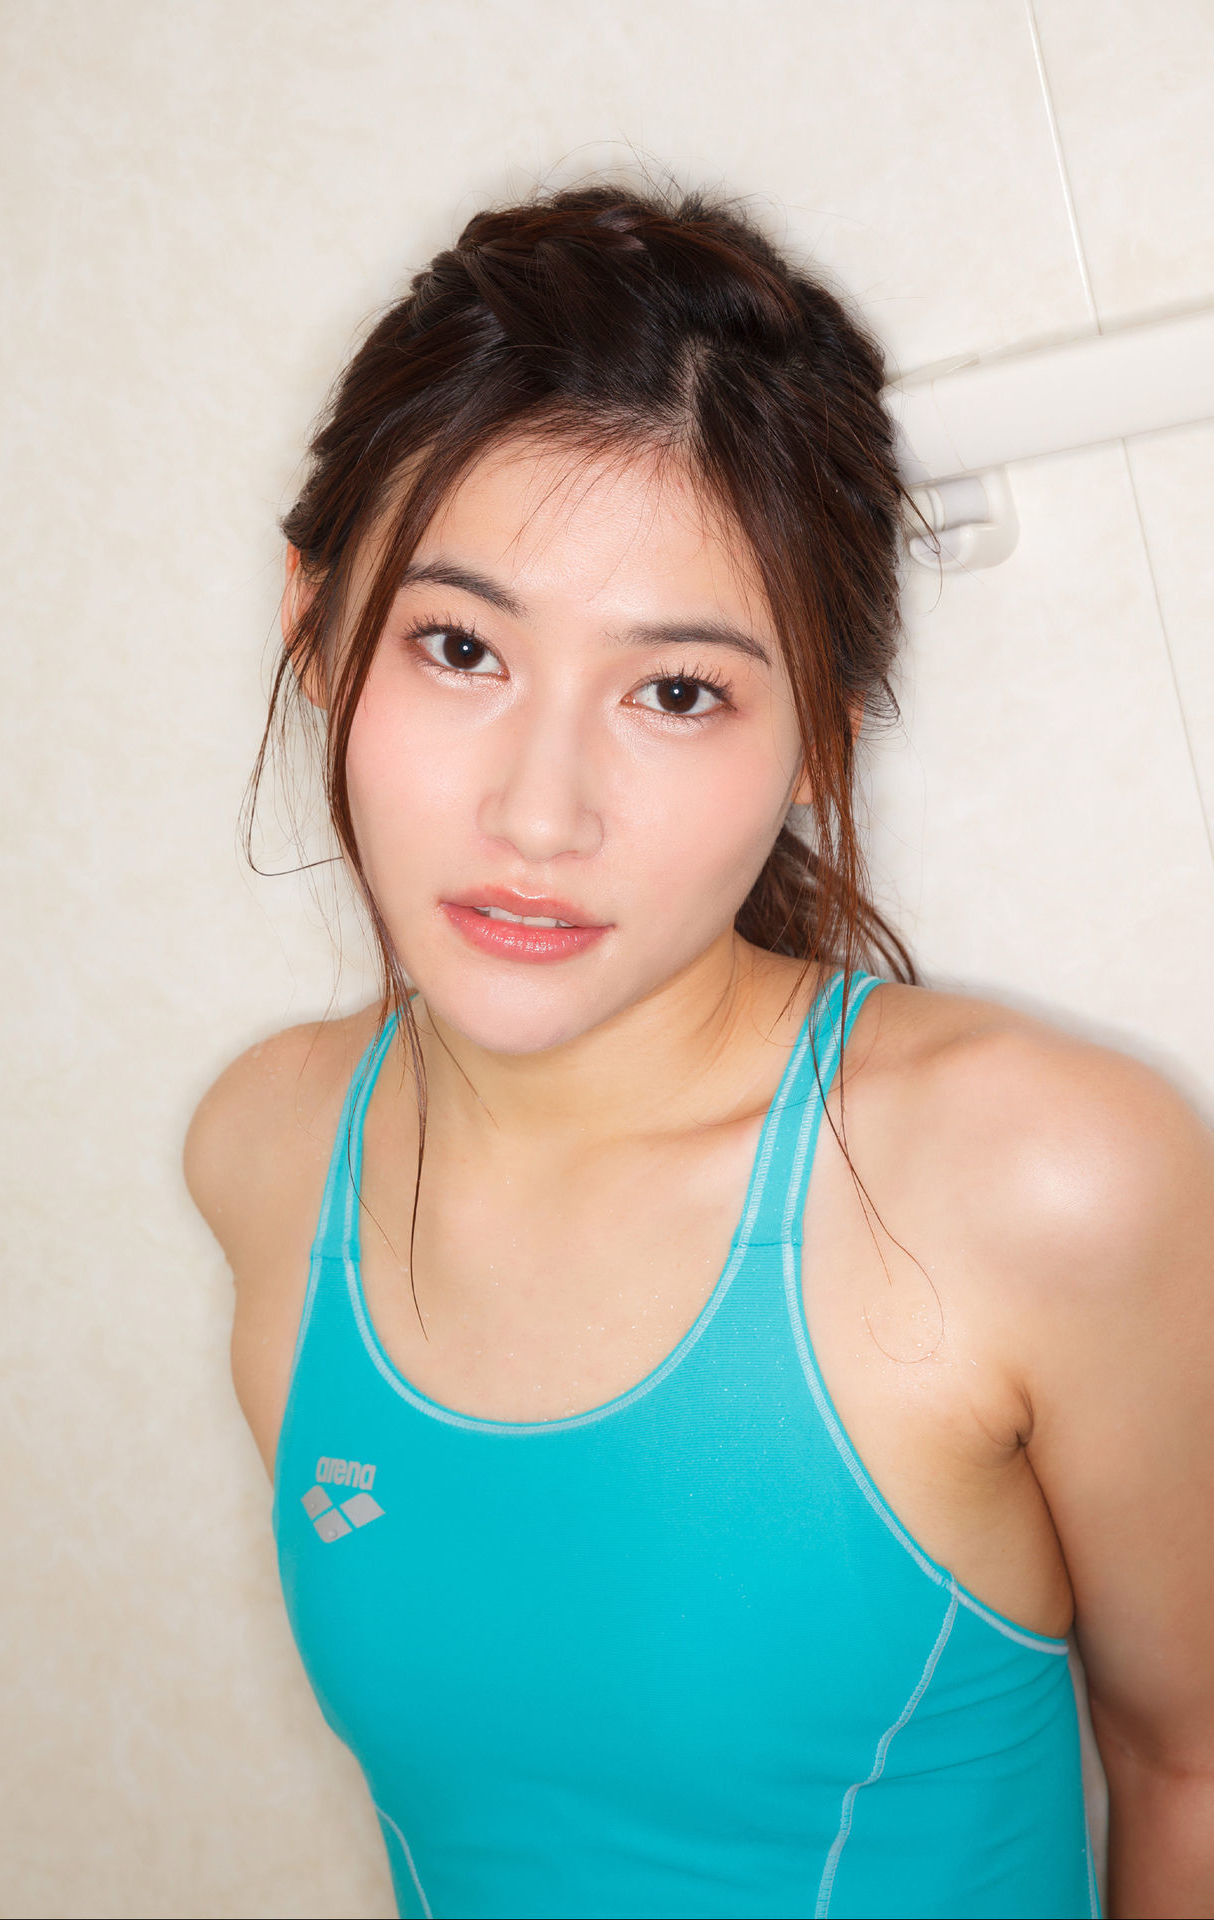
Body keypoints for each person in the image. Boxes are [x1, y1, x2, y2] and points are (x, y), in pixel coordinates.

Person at [183, 184, 1214, 1920]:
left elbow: (1197, 1765)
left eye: (676, 692)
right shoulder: (266, 1151)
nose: (541, 813)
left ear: (817, 736)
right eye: (459, 648)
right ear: (315, 625)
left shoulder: (1037, 1178)